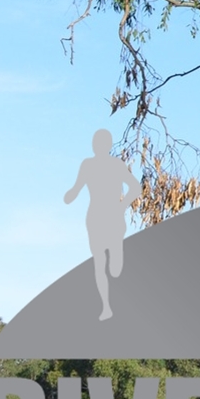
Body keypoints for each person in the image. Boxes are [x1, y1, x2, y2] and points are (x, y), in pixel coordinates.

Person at [63, 128, 142, 321]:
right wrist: (70, 195)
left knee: (115, 270)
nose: (96, 146)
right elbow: (77, 187)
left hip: (113, 216)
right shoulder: (87, 165)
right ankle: (106, 307)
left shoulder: (117, 165)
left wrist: (122, 206)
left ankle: (117, 255)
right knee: (99, 263)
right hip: (95, 218)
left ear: (106, 145)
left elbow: (135, 187)